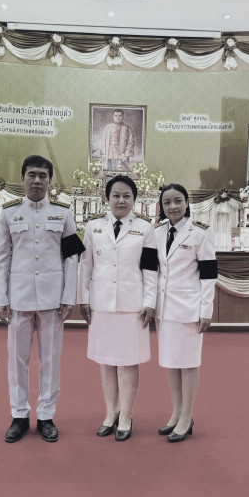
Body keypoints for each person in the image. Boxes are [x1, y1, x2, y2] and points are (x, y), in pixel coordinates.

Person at [0, 155, 86, 443]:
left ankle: (46, 415)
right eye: (31, 175)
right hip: (19, 299)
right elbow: (1, 258)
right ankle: (19, 415)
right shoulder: (8, 214)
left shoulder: (63, 214)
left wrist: (68, 296)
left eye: (43, 176)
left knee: (51, 360)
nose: (37, 180)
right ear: (22, 179)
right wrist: (1, 298)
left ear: (50, 181)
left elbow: (72, 258)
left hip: (52, 299)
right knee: (17, 360)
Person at [78, 175, 158, 441]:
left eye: (126, 196)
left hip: (131, 305)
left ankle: (126, 414)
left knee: (127, 362)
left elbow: (150, 268)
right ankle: (110, 412)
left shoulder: (145, 228)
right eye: (116, 195)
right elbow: (86, 265)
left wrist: (149, 301)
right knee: (106, 361)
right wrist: (83, 298)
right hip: (101, 303)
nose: (121, 200)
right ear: (107, 198)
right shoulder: (94, 226)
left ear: (134, 199)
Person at [154, 183, 217, 443]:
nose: (173, 206)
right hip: (164, 309)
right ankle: (177, 412)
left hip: (189, 309)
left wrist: (206, 309)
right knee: (171, 362)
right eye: (167, 202)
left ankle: (187, 416)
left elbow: (209, 275)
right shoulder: (157, 232)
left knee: (188, 364)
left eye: (178, 200)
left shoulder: (200, 232)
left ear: (187, 203)